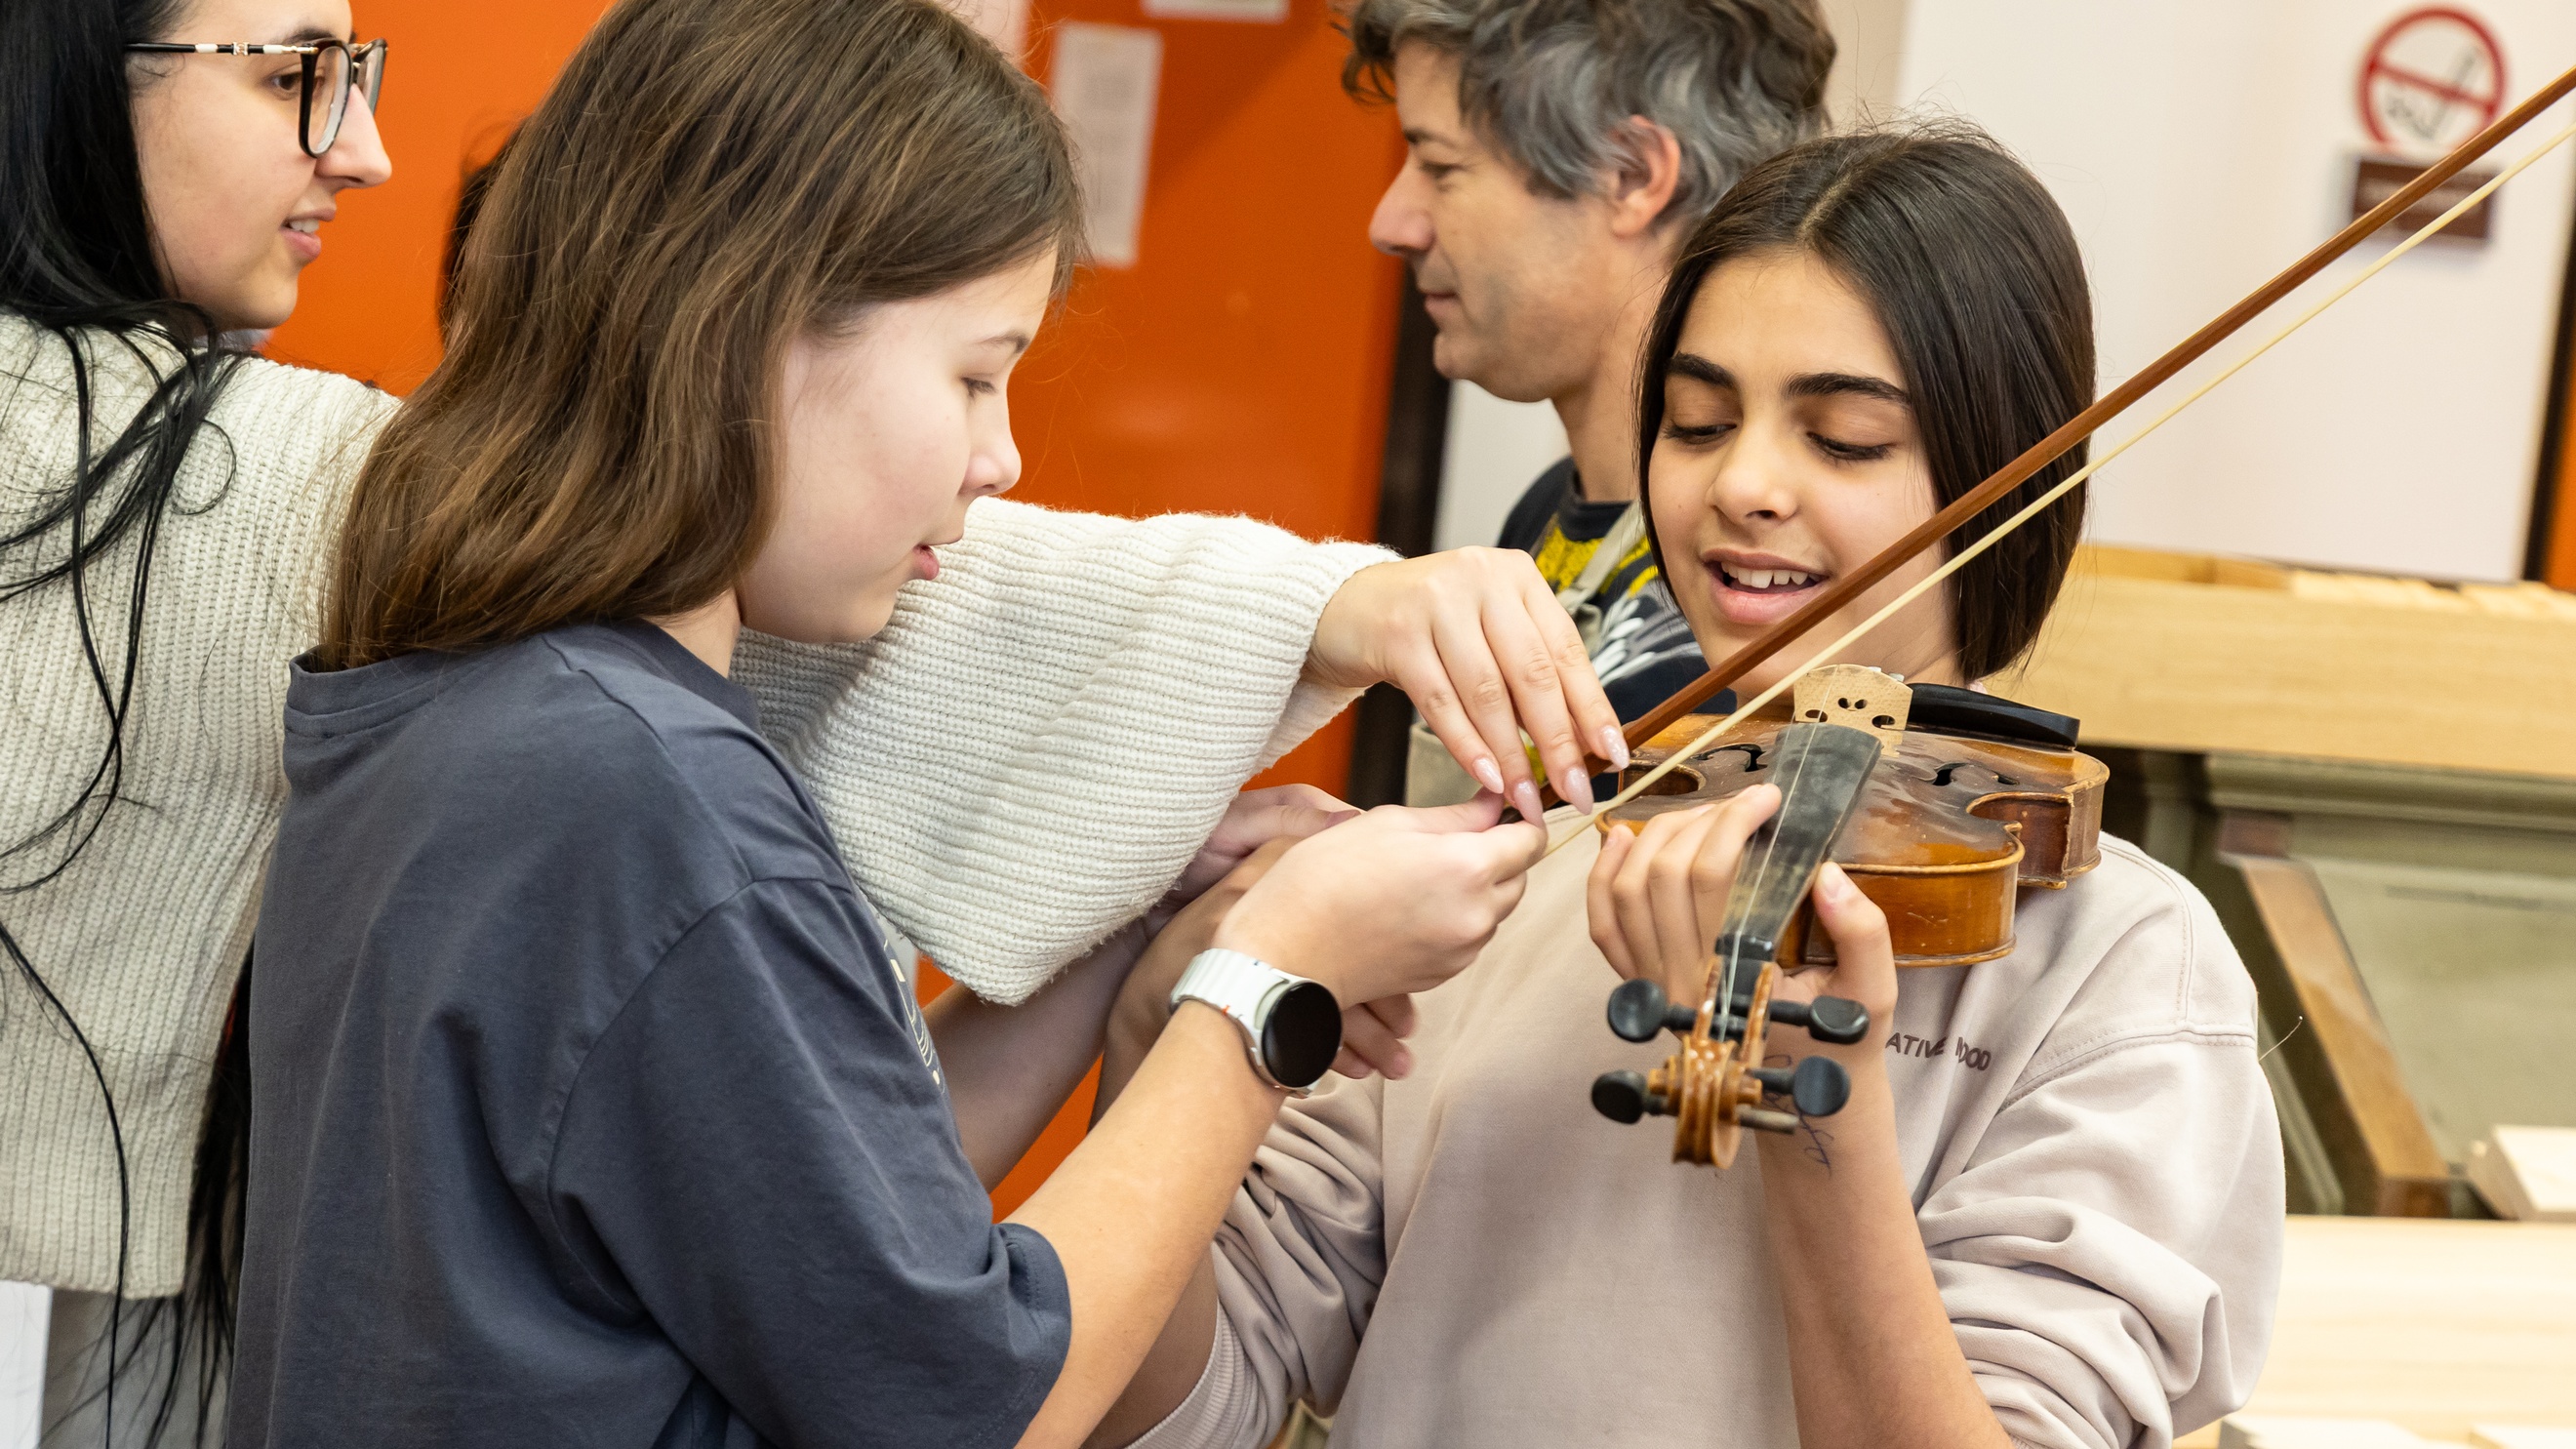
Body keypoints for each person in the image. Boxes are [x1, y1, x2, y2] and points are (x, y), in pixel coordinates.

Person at [2, 0, 1619, 1437]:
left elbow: (814, 1233)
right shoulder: (648, 798)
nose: (1004, 462)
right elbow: (976, 1395)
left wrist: (1142, 939)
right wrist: (1277, 986)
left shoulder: (463, 695)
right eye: (977, 377)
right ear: (756, 329)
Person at [1089, 126, 2285, 1449]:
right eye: (1700, 422)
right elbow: (1190, 1403)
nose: (1742, 486)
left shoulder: (2123, 968)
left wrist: (1807, 1097)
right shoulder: (1515, 872)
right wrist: (1177, 1022)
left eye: (1841, 440)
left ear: (2004, 471)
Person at [1344, 0, 1837, 804]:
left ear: (1632, 175)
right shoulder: (1549, 509)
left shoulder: (1747, 577)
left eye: (1440, 167)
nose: (1393, 223)